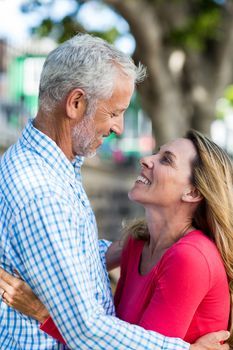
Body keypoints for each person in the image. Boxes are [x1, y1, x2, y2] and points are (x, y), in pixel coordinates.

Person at [0, 33, 230, 350]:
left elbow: (65, 253)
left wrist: (46, 310)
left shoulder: (54, 169)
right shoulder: (40, 191)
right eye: (114, 112)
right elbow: (86, 331)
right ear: (76, 103)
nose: (119, 127)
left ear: (194, 193)